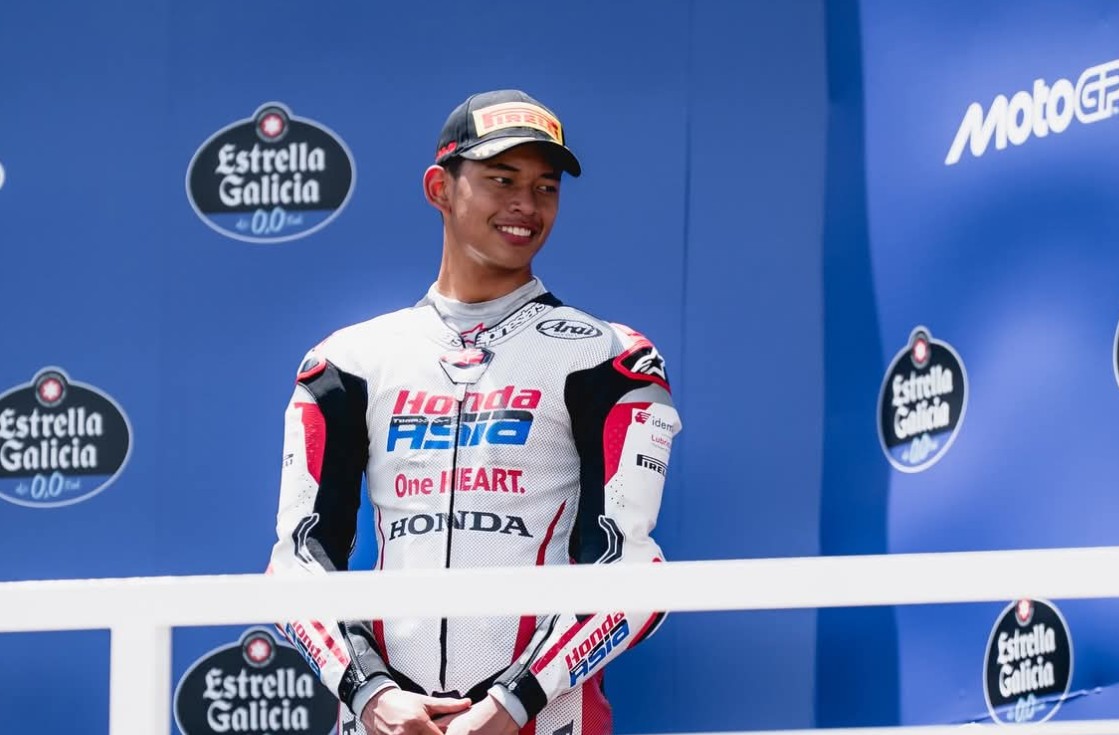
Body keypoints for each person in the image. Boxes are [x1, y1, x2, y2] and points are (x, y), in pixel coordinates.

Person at [268, 89, 681, 735]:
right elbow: (297, 562)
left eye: (545, 187)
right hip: (386, 722)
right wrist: (371, 694)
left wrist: (510, 704)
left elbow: (632, 573)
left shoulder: (610, 357)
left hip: (544, 720)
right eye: (501, 180)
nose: (526, 205)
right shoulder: (348, 360)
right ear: (440, 188)